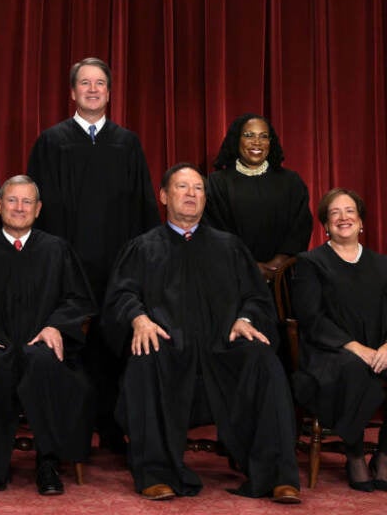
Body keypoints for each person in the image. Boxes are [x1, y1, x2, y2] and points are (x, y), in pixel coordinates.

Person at [103, 163, 301, 503]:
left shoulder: (230, 247)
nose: (191, 194)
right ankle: (156, 472)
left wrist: (247, 319)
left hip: (223, 345)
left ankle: (276, 475)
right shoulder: (143, 247)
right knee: (146, 356)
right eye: (182, 187)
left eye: (198, 188)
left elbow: (256, 297)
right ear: (164, 196)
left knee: (262, 359)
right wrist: (139, 319)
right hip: (168, 345)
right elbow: (121, 295)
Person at [27, 57, 159, 451]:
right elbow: (36, 208)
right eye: (84, 83)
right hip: (67, 265)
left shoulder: (127, 143)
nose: (92, 89)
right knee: (71, 346)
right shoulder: (51, 142)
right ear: (72, 92)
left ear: (109, 92)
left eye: (100, 83)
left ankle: (115, 425)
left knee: (113, 344)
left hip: (117, 266)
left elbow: (143, 207)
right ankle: (72, 431)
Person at [0, 175, 95, 495]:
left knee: (45, 362)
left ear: (38, 209)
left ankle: (48, 462)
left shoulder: (57, 250)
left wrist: (55, 326)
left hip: (41, 344)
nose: (19, 208)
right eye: (12, 200)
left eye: (27, 202)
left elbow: (79, 300)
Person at [292, 188, 387, 492]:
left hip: (379, 349)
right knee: (353, 370)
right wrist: (357, 348)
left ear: (361, 222)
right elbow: (311, 318)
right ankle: (355, 454)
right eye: (335, 213)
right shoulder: (311, 263)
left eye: (350, 212)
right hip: (328, 352)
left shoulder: (382, 265)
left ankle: (384, 455)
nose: (343, 218)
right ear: (326, 224)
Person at [205, 113, 312, 282]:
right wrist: (250, 267)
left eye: (263, 136)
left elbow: (300, 227)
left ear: (271, 142)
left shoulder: (291, 182)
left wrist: (278, 264)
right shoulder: (216, 183)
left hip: (281, 280)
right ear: (236, 140)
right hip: (233, 278)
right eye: (249, 135)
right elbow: (214, 231)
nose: (257, 142)